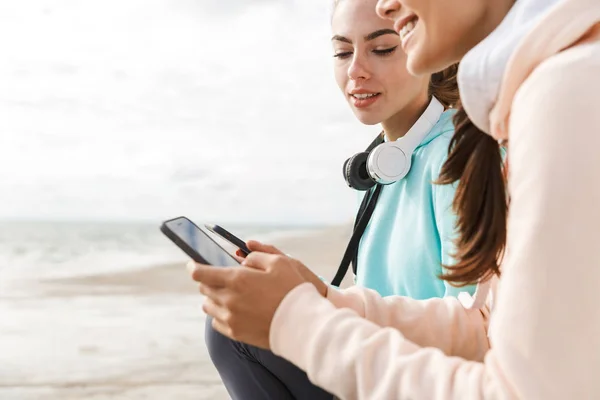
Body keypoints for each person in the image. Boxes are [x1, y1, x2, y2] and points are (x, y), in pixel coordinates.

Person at [201, 0, 474, 398]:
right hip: (381, 368)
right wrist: (302, 287)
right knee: (235, 311)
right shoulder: (386, 165)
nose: (355, 70)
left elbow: (476, 328)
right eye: (343, 52)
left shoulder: (459, 157)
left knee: (231, 332)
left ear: (425, 47)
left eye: (382, 49)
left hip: (423, 382)